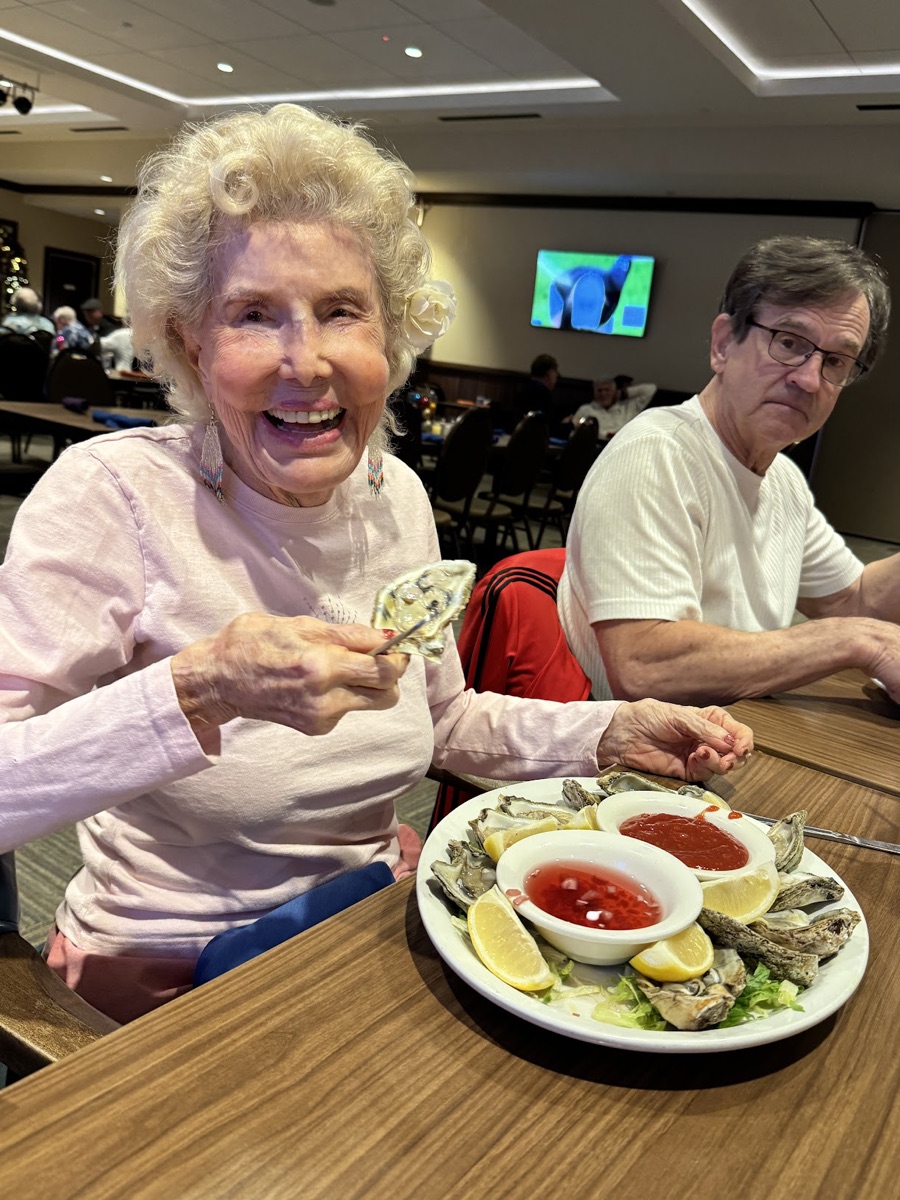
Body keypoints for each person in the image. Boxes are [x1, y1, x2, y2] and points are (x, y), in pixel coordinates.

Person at [0, 105, 751, 1024]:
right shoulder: (112, 496)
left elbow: (443, 719)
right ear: (192, 343)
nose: (305, 361)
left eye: (341, 312)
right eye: (252, 315)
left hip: (363, 932)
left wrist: (604, 734)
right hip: (166, 976)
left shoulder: (393, 496)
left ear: (390, 340)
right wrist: (198, 690)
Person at [559, 234, 900, 705]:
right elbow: (645, 667)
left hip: (731, 742)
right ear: (723, 344)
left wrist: (860, 629)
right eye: (788, 342)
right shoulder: (658, 453)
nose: (808, 379)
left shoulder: (782, 480)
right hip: (633, 767)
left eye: (836, 361)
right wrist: (856, 640)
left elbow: (853, 599)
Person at [572, 376, 658, 440]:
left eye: (607, 390)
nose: (603, 394)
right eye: (599, 390)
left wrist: (624, 393)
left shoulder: (627, 408)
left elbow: (651, 389)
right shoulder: (585, 409)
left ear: (614, 392)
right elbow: (574, 432)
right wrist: (606, 436)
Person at [512, 353, 559, 426]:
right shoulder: (544, 394)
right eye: (555, 372)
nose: (556, 376)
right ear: (548, 374)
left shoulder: (522, 388)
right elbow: (548, 425)